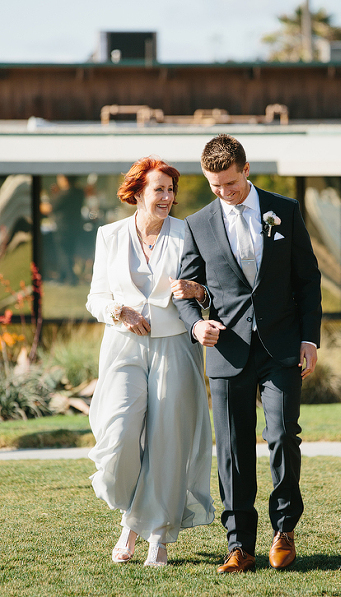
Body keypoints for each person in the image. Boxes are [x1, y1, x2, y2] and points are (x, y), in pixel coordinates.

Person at [174, 134, 323, 574]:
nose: (224, 194)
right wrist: (196, 323)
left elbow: (308, 281)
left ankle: (284, 530)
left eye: (231, 185)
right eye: (215, 186)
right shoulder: (197, 224)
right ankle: (239, 545)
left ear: (246, 170)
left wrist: (309, 339)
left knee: (281, 436)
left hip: (281, 347)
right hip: (227, 350)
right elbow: (185, 291)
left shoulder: (286, 210)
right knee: (234, 449)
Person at [86, 156, 214, 567]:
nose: (167, 197)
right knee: (119, 434)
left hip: (175, 344)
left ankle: (155, 535)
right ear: (138, 192)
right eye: (159, 189)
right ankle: (131, 517)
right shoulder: (109, 235)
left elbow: (213, 287)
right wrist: (118, 312)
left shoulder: (188, 231)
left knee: (168, 441)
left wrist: (198, 290)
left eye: (171, 190)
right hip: (123, 344)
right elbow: (95, 297)